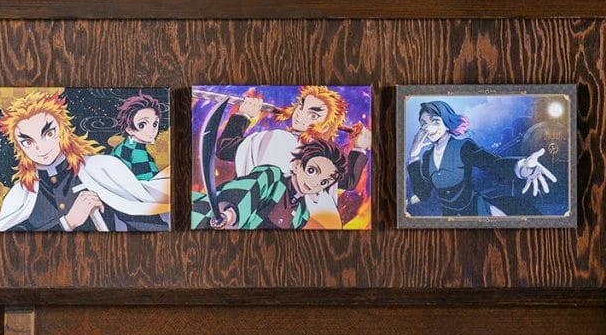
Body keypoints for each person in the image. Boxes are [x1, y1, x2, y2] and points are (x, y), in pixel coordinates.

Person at [0, 90, 170, 231]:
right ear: (20, 148)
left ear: (63, 130)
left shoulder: (101, 169)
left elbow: (145, 221)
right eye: (28, 142)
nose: (40, 148)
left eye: (49, 133)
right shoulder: (20, 195)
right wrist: (68, 222)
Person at [213, 87, 371, 227]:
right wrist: (243, 115)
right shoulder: (280, 140)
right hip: (254, 213)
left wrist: (244, 115)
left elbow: (346, 181)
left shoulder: (291, 144)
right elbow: (225, 150)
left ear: (326, 126)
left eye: (313, 115)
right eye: (301, 107)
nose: (300, 115)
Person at [407, 100, 556, 217]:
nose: (429, 128)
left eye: (435, 121)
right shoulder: (427, 156)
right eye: (423, 124)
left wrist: (522, 168)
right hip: (450, 219)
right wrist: (413, 156)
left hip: (477, 211)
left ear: (447, 122)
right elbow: (423, 194)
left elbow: (494, 163)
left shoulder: (464, 146)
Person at [196, 139, 347, 230]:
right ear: (297, 165)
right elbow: (249, 189)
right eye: (312, 170)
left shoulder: (302, 214)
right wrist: (229, 214)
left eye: (324, 182)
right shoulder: (272, 176)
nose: (314, 183)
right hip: (207, 221)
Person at [110, 93, 163, 181]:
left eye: (155, 124)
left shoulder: (123, 145)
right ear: (129, 129)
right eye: (142, 125)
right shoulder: (138, 152)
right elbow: (151, 181)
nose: (151, 130)